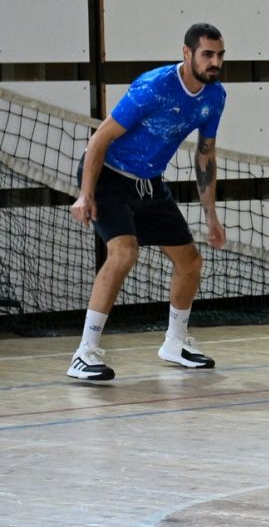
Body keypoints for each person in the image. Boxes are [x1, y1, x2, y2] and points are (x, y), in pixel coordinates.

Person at [64, 22, 230, 381]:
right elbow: (100, 139)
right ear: (187, 53)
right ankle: (84, 353)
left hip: (149, 183)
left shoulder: (215, 97)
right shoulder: (154, 87)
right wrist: (86, 193)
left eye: (219, 55)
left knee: (190, 261)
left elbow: (205, 155)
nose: (215, 62)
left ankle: (175, 342)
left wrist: (211, 216)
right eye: (207, 54)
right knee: (124, 251)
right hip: (109, 177)